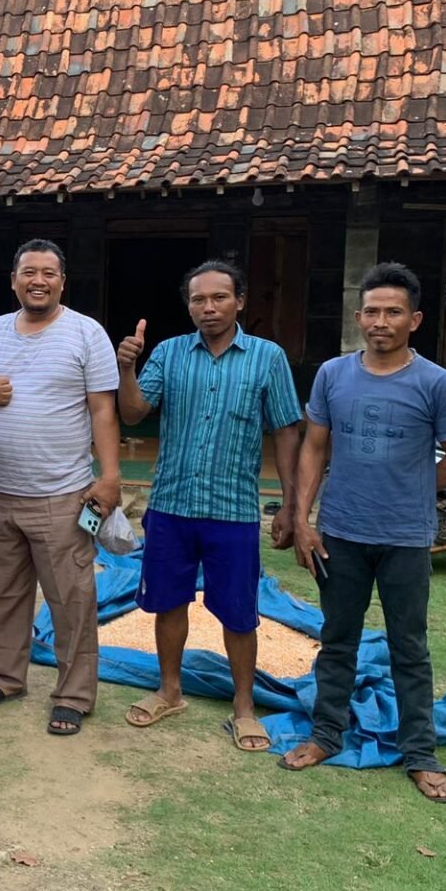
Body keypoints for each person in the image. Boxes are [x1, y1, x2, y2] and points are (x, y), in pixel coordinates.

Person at [283, 262, 446, 803]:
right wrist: (302, 519)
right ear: (358, 316)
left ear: (414, 319)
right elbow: (314, 447)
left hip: (406, 538)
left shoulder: (436, 383)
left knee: (408, 647)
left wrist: (414, 485)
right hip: (340, 532)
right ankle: (326, 735)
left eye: (393, 312)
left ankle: (421, 754)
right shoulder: (333, 375)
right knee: (337, 639)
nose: (381, 321)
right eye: (372, 311)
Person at [115, 260, 303, 752]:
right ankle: (170, 690)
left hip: (235, 511)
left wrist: (291, 505)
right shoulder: (170, 353)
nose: (208, 308)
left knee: (240, 613)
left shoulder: (267, 358)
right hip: (172, 504)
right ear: (189, 305)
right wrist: (126, 369)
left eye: (219, 298)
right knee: (167, 602)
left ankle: (244, 707)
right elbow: (134, 412)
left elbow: (286, 430)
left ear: (240, 301)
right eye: (198, 300)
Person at [0, 239, 122, 736]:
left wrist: (110, 477)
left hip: (63, 492)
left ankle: (73, 694)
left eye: (49, 273)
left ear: (62, 282)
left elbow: (102, 409)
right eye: (29, 271)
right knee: (1, 593)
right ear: (14, 280)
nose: (39, 281)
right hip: (0, 491)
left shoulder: (86, 333)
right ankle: (6, 677)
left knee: (70, 599)